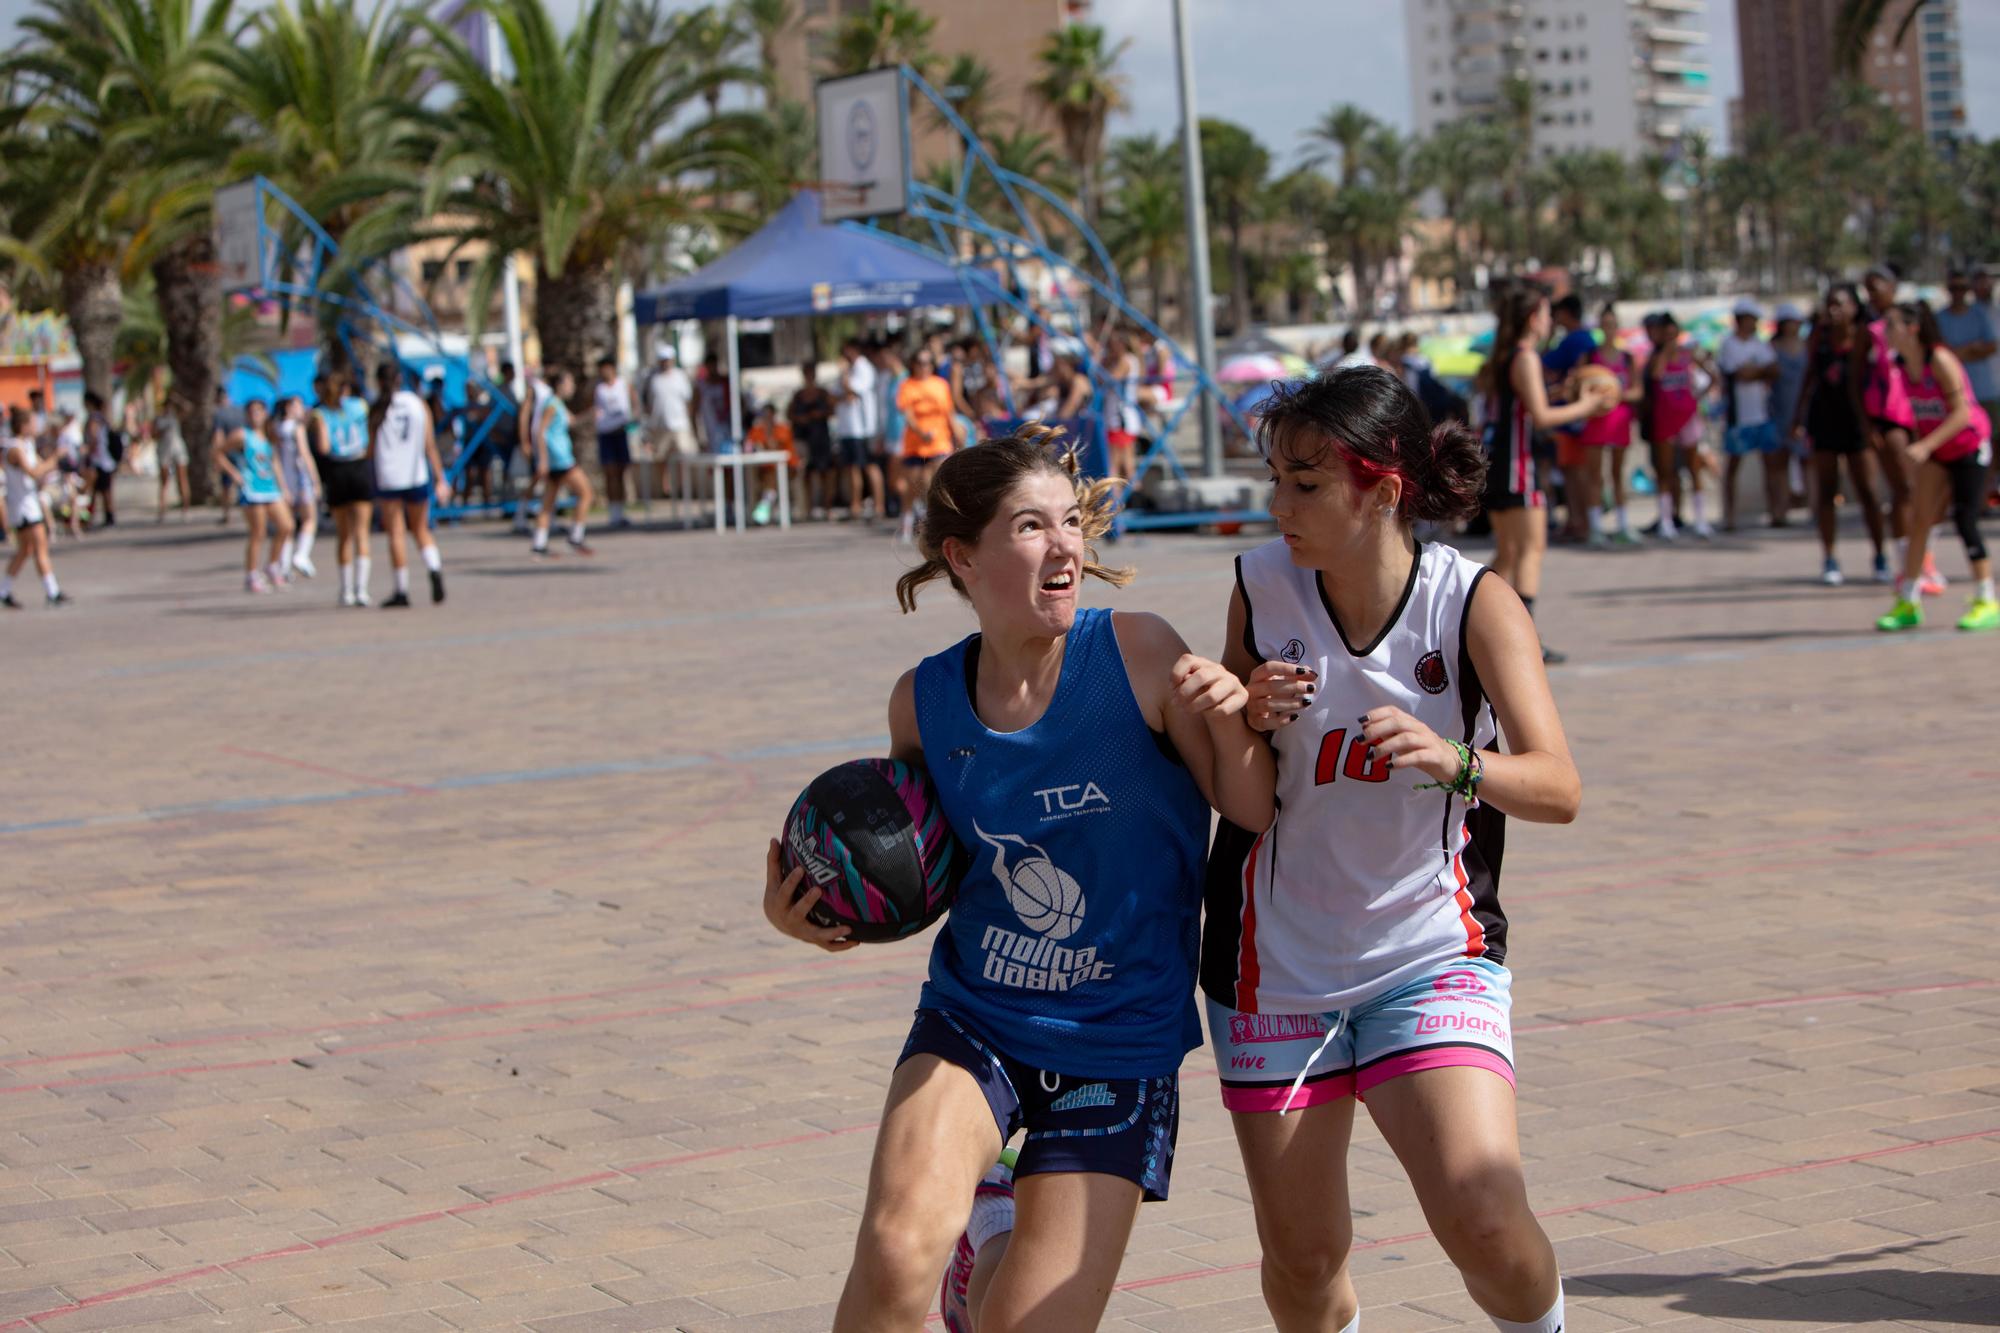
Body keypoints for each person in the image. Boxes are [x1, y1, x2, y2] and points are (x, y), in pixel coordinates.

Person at [760, 423, 1273, 1333]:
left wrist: (1231, 715)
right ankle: (975, 1231)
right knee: (893, 1253)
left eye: (1071, 522)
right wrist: (816, 906)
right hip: (977, 1014)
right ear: (964, 556)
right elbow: (915, 864)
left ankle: (988, 1235)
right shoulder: (923, 700)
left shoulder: (1141, 654)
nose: (1066, 544)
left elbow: (1252, 806)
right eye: (1032, 526)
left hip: (1117, 1041)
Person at [1204, 367, 1581, 1333]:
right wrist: (1245, 713)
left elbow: (1559, 786)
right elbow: (1240, 787)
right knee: (1303, 1258)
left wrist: (1459, 760)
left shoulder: (1473, 604)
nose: (1279, 505)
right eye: (1276, 480)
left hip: (1427, 951)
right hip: (1274, 966)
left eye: (1307, 483)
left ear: (1384, 488)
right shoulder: (1259, 586)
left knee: (1484, 1218)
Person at [1474, 286, 1615, 664]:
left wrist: (1560, 390)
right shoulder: (1525, 357)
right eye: (1546, 313)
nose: (1551, 320)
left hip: (1501, 461)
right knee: (1529, 551)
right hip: (1518, 463)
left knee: (1507, 553)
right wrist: (1586, 405)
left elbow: (1527, 403)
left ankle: (1461, 617)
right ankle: (1525, 640)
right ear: (1533, 318)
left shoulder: (1509, 356)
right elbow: (1542, 416)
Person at [1872, 302, 1997, 633]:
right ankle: (1908, 601)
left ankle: (1987, 598)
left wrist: (1925, 445)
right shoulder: (1901, 364)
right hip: (1938, 449)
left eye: (1892, 326)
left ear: (1912, 328)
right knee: (1920, 522)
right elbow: (1921, 411)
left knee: (1965, 518)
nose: (1886, 333)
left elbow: (1962, 414)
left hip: (1968, 446)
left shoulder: (1939, 359)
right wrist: (1922, 446)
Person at [1792, 283, 1887, 587]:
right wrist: (1798, 417)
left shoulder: (1864, 337)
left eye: (1840, 304)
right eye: (1830, 304)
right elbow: (1809, 376)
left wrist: (1871, 424)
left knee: (1868, 493)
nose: (1833, 310)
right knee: (1827, 492)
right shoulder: (1819, 337)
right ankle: (1830, 557)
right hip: (1824, 418)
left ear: (1854, 307)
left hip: (1857, 420)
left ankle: (1880, 555)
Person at [1861, 264, 1941, 595]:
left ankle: (1924, 560)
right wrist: (1867, 425)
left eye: (1877, 285)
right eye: (1867, 288)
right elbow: (1857, 380)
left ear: (1893, 286)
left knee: (1928, 491)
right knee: (1904, 489)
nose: (1872, 292)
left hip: (1919, 415)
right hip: (1888, 416)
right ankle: (1903, 563)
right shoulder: (1869, 329)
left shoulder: (1909, 325)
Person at [369, 364, 449, 607]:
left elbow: (370, 449)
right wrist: (440, 478)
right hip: (416, 474)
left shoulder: (377, 409)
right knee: (421, 528)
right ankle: (434, 567)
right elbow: (429, 444)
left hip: (389, 476)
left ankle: (401, 589)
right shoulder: (416, 404)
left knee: (396, 532)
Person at [1573, 301, 1643, 544]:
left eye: (1613, 324)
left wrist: (1614, 394)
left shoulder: (1627, 358)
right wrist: (1593, 399)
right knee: (1595, 475)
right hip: (1595, 421)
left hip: (1619, 419)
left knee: (1617, 474)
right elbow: (1576, 385)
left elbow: (1637, 391)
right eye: (1605, 324)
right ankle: (1596, 527)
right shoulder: (1590, 357)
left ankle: (1623, 525)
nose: (1609, 328)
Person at [1645, 312, 1718, 541]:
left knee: (1694, 469)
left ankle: (1700, 520)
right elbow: (1656, 375)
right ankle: (1666, 521)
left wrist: (1698, 396)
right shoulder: (1657, 358)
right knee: (1665, 471)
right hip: (1665, 419)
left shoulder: (1689, 355)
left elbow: (1713, 377)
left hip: (1688, 418)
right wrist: (1666, 353)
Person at [1717, 299, 1786, 531]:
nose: (1755, 323)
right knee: (1733, 468)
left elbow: (1774, 370)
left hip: (1762, 415)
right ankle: (1730, 516)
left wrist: (1755, 371)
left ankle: (1776, 512)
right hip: (1739, 417)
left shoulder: (1759, 344)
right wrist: (1760, 372)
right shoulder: (1728, 345)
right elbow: (1740, 374)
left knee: (1771, 466)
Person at [308, 370, 376, 608]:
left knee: (344, 535)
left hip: (337, 471)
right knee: (362, 533)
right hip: (359, 467)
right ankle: (362, 590)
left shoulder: (320, 414)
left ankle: (346, 590)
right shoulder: (360, 406)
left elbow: (324, 447)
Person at [215, 398, 296, 594]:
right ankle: (251, 575)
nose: (256, 415)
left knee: (287, 526)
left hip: (270, 488)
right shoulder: (242, 435)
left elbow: (274, 462)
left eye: (259, 411)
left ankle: (272, 565)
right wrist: (234, 473)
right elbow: (218, 453)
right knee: (258, 533)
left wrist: (283, 487)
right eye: (252, 411)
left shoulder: (268, 435)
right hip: (252, 489)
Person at [1541, 295, 1598, 542]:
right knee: (1575, 470)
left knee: (1575, 472)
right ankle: (1580, 521)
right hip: (1576, 414)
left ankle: (1579, 521)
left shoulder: (1574, 339)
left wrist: (1549, 335)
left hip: (1571, 416)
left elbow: (1543, 363)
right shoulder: (1585, 338)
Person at [2, 405, 67, 608]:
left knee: (26, 550)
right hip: (23, 506)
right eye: (32, 422)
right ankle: (52, 592)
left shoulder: (26, 445)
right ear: (22, 426)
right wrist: (55, 458)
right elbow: (33, 472)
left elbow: (40, 469)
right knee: (39, 546)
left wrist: (50, 463)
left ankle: (3, 590)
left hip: (29, 503)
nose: (36, 425)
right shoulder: (14, 448)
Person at [896, 347, 963, 544]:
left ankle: (931, 521)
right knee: (912, 485)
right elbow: (907, 414)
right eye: (920, 363)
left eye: (927, 363)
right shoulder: (908, 385)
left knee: (933, 480)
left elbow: (948, 412)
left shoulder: (941, 385)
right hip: (916, 442)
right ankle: (908, 518)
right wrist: (919, 432)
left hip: (939, 440)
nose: (924, 367)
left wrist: (956, 432)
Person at [530, 367, 595, 558]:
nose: (572, 386)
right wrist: (542, 459)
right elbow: (540, 431)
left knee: (548, 503)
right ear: (560, 385)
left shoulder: (557, 403)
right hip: (560, 459)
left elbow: (572, 421)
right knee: (586, 494)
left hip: (556, 458)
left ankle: (539, 544)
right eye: (569, 382)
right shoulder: (552, 404)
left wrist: (590, 415)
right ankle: (575, 536)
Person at [1770, 302, 1811, 517]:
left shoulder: (1807, 346)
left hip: (1804, 410)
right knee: (1779, 463)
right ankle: (1780, 509)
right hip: (1780, 410)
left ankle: (1813, 506)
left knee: (1808, 461)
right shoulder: (1772, 348)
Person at [644, 346, 696, 508]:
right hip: (660, 425)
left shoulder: (680, 376)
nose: (665, 363)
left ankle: (682, 488)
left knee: (684, 456)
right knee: (660, 457)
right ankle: (666, 489)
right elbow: (647, 402)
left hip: (679, 424)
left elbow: (688, 400)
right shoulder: (652, 378)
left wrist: (690, 420)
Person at [274, 396, 319, 579]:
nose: (302, 407)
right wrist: (315, 480)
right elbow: (305, 454)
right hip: (301, 479)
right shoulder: (295, 428)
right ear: (289, 407)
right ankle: (301, 555)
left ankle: (284, 566)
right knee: (310, 519)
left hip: (285, 481)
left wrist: (281, 485)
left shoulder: (277, 428)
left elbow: (275, 458)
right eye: (298, 404)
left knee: (288, 525)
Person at [588, 357, 634, 529]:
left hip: (620, 432)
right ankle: (613, 512)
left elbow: (634, 403)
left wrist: (633, 420)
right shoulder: (598, 389)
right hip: (605, 434)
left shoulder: (623, 384)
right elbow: (591, 407)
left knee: (621, 472)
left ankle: (621, 511)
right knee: (610, 472)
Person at [789, 361, 837, 520]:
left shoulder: (823, 393)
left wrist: (819, 414)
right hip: (805, 437)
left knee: (826, 473)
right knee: (807, 474)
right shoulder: (798, 395)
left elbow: (832, 410)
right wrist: (801, 418)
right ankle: (808, 508)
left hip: (821, 437)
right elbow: (790, 414)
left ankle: (828, 506)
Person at [1099, 329, 1143, 482]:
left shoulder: (1125, 361)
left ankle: (1117, 500)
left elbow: (1107, 381)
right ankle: (1129, 497)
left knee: (1116, 466)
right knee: (1125, 464)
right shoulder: (1130, 360)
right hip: (1119, 417)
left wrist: (1099, 361)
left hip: (1120, 418)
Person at [81, 390, 120, 527]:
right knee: (106, 491)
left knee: (93, 492)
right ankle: (109, 516)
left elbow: (93, 438)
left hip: (98, 461)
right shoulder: (103, 418)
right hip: (106, 460)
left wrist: (87, 452)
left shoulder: (94, 419)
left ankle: (88, 519)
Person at [154, 400, 190, 522]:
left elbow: (188, 408)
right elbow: (154, 434)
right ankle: (162, 510)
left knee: (182, 479)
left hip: (177, 449)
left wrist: (176, 398)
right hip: (164, 451)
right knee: (164, 482)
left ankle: (185, 510)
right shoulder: (159, 420)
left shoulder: (175, 418)